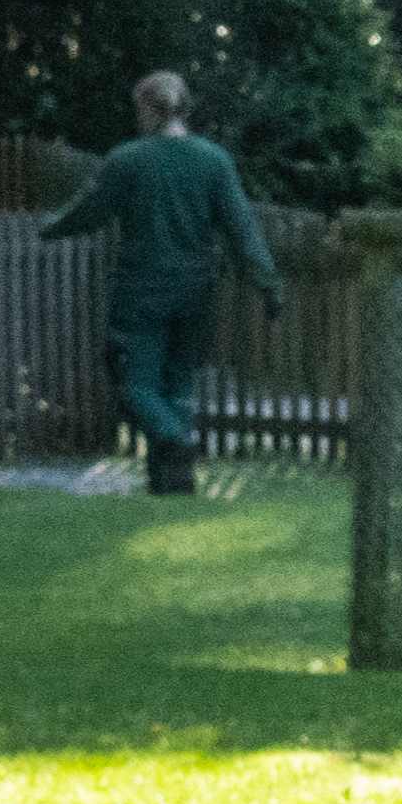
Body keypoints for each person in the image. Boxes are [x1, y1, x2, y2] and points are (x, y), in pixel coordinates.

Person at [47, 70, 280, 497]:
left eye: (138, 109)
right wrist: (268, 282)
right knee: (178, 384)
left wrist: (49, 228)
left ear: (149, 109)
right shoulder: (213, 161)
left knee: (135, 384)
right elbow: (242, 228)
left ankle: (176, 439)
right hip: (197, 291)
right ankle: (173, 483)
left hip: (141, 291)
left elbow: (91, 211)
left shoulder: (128, 160)